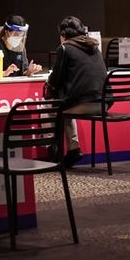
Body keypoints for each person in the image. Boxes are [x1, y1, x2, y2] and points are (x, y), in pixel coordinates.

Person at [44, 16, 107, 168]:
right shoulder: (94, 46)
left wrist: (49, 85)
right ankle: (73, 150)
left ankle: (51, 150)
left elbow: (55, 79)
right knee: (64, 109)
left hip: (85, 103)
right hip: (104, 103)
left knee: (49, 108)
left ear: (63, 35)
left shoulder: (65, 48)